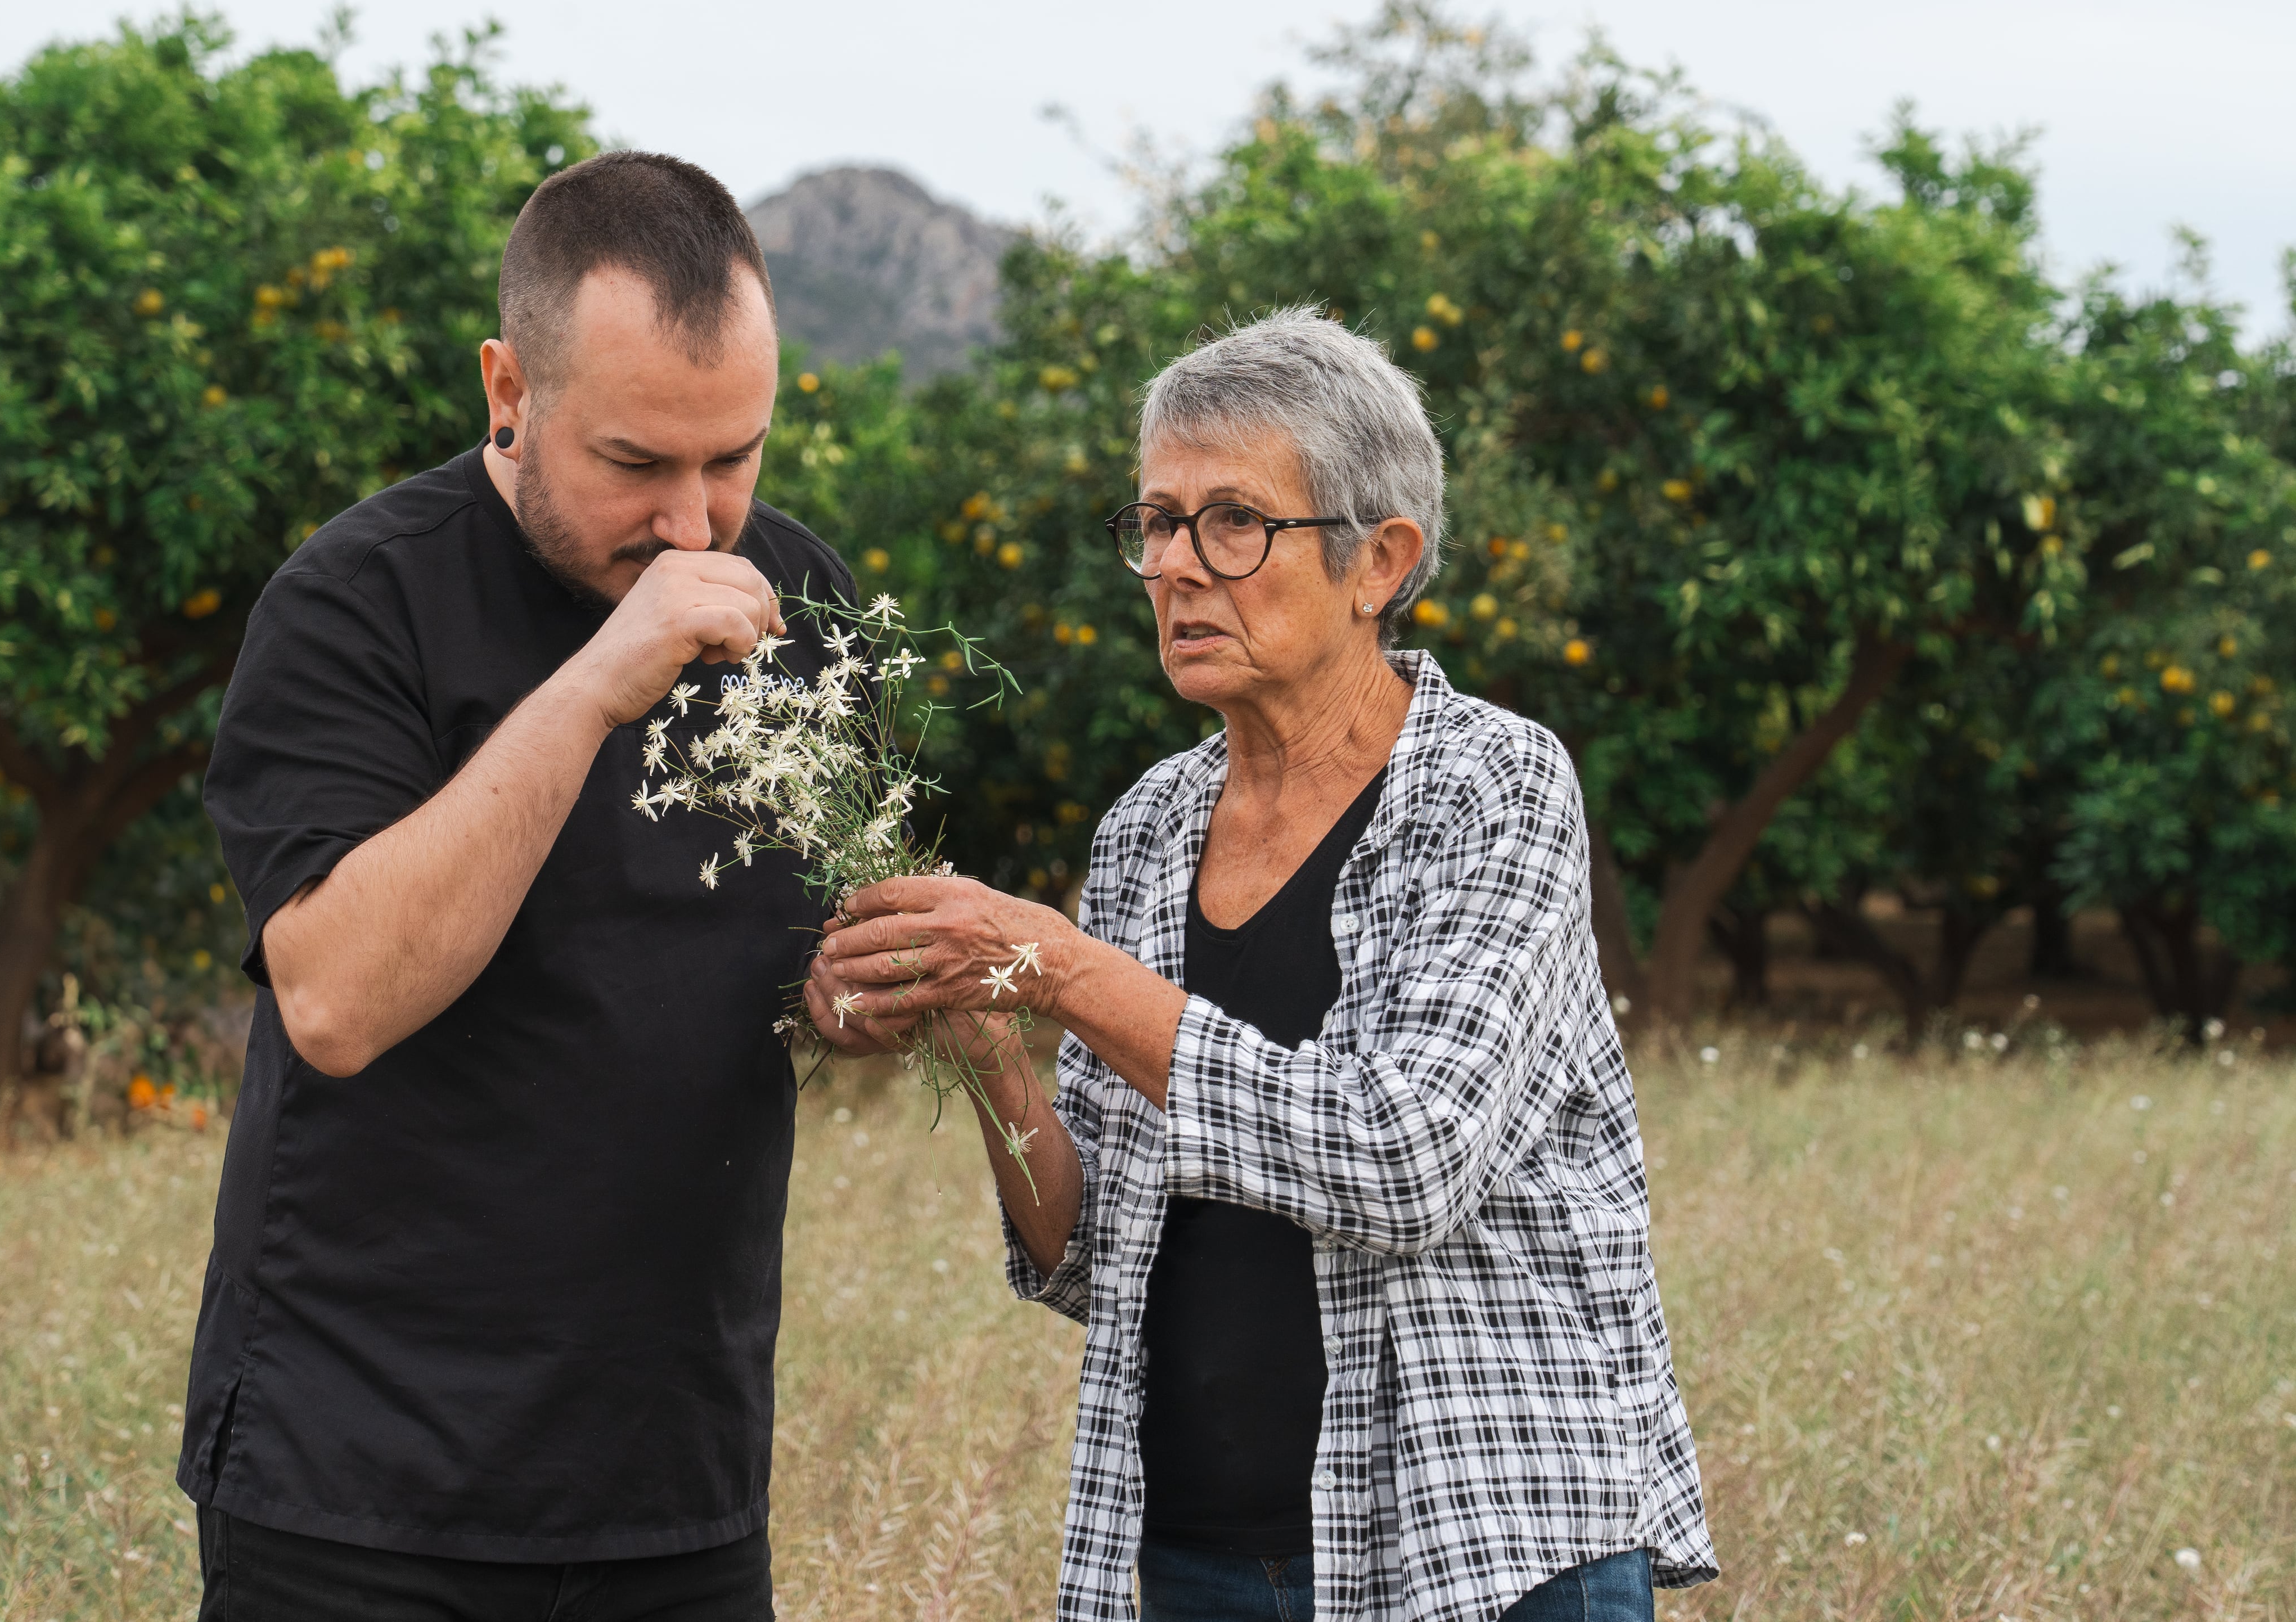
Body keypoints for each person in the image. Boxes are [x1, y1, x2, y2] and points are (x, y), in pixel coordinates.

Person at [807, 309, 1717, 1622]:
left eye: (1234, 521)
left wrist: (1061, 970)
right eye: (1158, 522)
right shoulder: (1147, 829)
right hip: (1197, 1554)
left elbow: (1403, 1158)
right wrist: (987, 1039)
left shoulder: (1492, 786)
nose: (1178, 565)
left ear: (1379, 561)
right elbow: (1090, 1255)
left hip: (1481, 1548)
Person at [181, 151, 853, 1620]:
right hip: (363, 1485)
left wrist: (856, 985)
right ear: (509, 386)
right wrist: (599, 681)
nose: (693, 523)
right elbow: (338, 998)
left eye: (733, 455)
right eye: (635, 463)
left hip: (676, 1482)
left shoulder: (799, 598)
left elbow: (770, 951)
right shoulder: (354, 604)